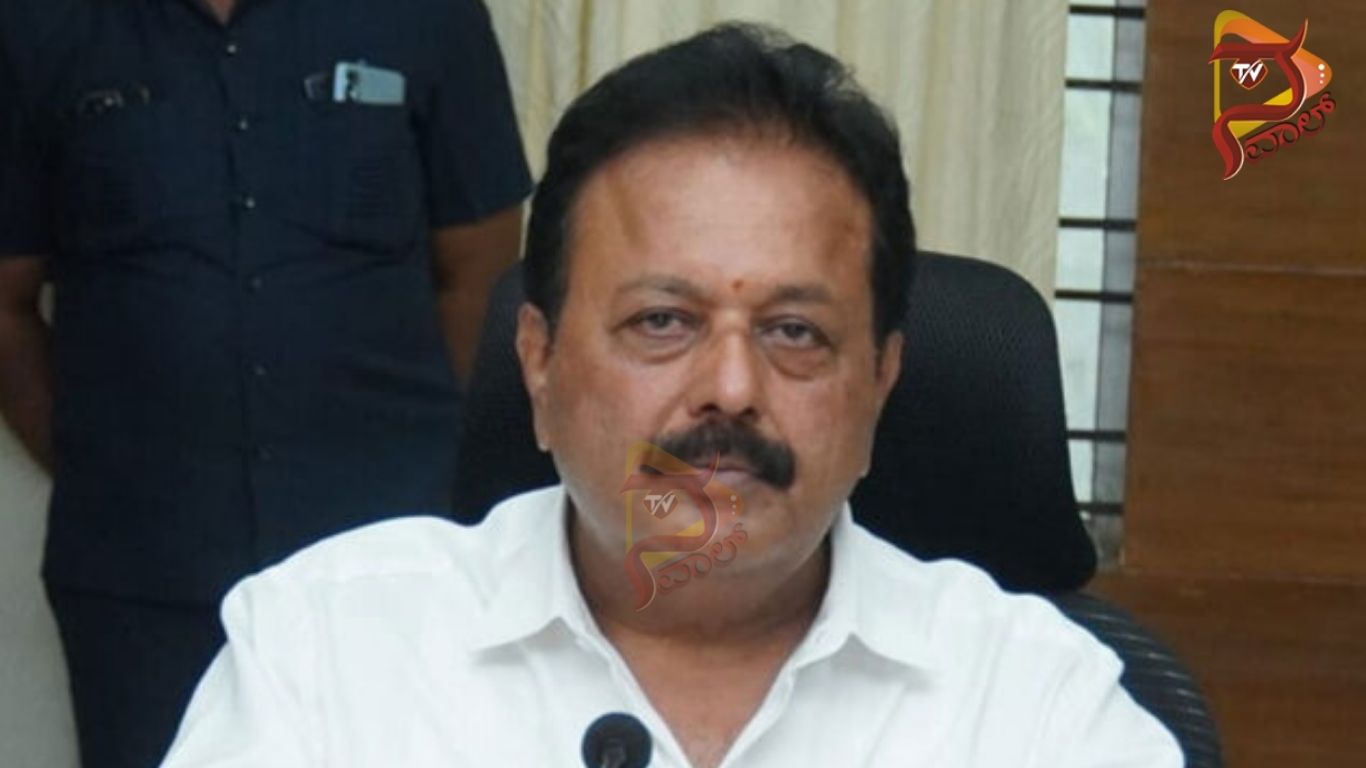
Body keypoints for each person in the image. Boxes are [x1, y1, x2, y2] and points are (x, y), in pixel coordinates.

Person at [160, 23, 1182, 768]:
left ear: (879, 382)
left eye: (794, 332)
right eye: (662, 321)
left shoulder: (1034, 703)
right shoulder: (327, 652)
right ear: (539, 362)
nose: (730, 390)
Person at [0, 0, 530, 765]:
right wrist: (111, 464)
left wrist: (409, 453)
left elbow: (481, 276)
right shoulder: (37, 25)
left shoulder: (428, 15)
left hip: (387, 553)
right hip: (141, 574)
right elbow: (7, 305)